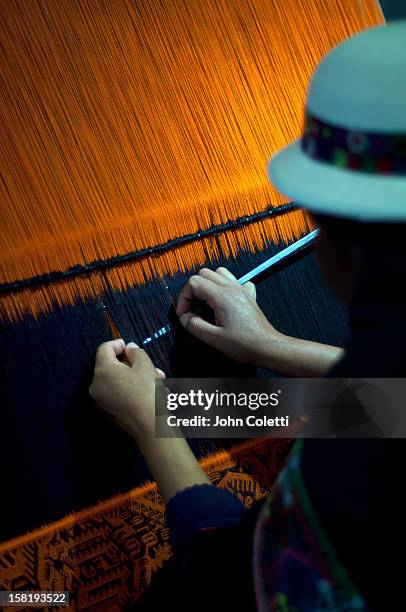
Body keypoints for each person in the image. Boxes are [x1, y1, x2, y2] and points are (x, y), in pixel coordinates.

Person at [89, 22, 406, 611]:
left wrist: (151, 418)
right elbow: (393, 403)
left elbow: (222, 576)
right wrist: (269, 346)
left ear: (332, 242)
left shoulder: (350, 487)